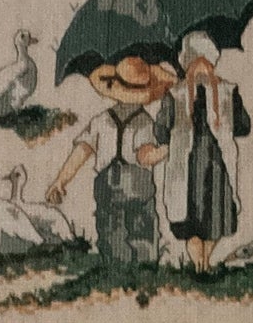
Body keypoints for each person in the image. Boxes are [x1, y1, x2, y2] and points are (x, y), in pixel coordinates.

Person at [137, 31, 251, 274]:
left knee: (193, 217)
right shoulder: (227, 90)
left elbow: (161, 131)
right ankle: (204, 263)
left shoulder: (176, 94)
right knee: (212, 215)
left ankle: (200, 264)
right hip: (213, 164)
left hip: (194, 164)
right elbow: (244, 127)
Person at [45, 55, 175, 265]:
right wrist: (166, 150)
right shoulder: (145, 123)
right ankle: (143, 267)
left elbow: (82, 150)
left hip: (107, 185)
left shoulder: (101, 120)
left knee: (111, 230)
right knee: (142, 231)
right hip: (138, 186)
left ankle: (116, 266)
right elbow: (144, 157)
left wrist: (61, 180)